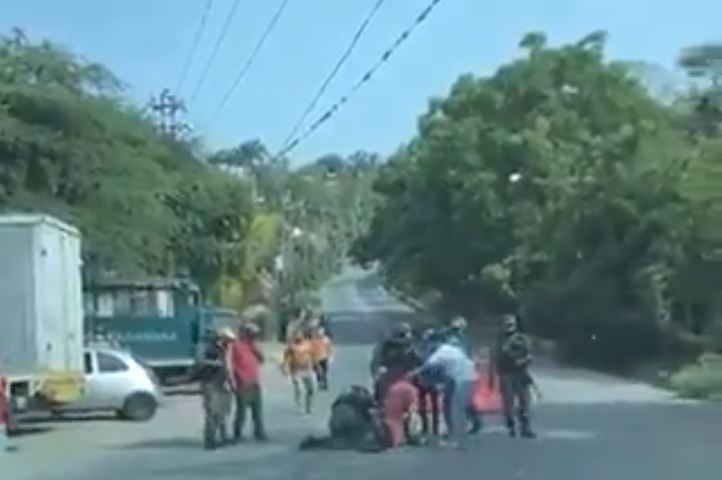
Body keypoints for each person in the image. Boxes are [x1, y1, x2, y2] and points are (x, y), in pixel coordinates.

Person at [409, 336, 476, 448]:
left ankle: (454, 434)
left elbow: (428, 365)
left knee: (452, 407)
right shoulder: (452, 349)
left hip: (458, 379)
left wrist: (414, 373)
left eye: (432, 342)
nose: (430, 345)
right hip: (464, 378)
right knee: (455, 406)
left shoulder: (441, 351)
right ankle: (456, 432)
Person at [299, 385, 388, 453]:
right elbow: (374, 410)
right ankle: (365, 443)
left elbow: (333, 408)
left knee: (339, 441)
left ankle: (316, 442)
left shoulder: (342, 398)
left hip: (336, 423)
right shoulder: (364, 398)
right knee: (358, 438)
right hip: (351, 421)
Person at [490, 314, 536, 438]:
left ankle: (526, 427)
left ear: (516, 325)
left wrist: (523, 361)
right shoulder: (499, 340)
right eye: (506, 324)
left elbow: (530, 355)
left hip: (521, 373)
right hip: (505, 373)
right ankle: (511, 425)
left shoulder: (522, 338)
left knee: (525, 402)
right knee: (508, 402)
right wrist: (491, 378)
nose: (509, 327)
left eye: (511, 324)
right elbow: (494, 358)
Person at [197, 327, 235, 450]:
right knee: (213, 411)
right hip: (210, 382)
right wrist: (216, 363)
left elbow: (227, 366)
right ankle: (210, 440)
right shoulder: (205, 347)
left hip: (221, 382)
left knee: (224, 411)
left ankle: (223, 437)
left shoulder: (222, 348)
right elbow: (200, 361)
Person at [230, 322, 268, 443]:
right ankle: (237, 433)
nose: (254, 337)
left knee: (257, 410)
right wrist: (234, 380)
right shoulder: (236, 346)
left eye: (255, 335)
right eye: (251, 335)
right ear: (245, 334)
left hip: (254, 382)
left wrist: (255, 348)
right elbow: (230, 364)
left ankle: (259, 432)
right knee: (241, 411)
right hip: (242, 383)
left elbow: (262, 359)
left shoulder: (253, 346)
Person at [412, 328, 442, 438]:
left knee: (433, 405)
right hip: (423, 379)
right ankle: (428, 427)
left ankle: (433, 428)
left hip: (430, 379)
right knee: (424, 405)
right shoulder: (420, 347)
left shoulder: (433, 347)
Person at [282, 331, 317, 414]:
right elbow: (285, 358)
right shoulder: (291, 347)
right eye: (296, 336)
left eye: (300, 335)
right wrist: (284, 367)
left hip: (308, 370)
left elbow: (313, 356)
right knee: (300, 390)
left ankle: (309, 406)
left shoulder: (308, 345)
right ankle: (300, 407)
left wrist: (316, 367)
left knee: (311, 389)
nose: (298, 337)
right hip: (296, 371)